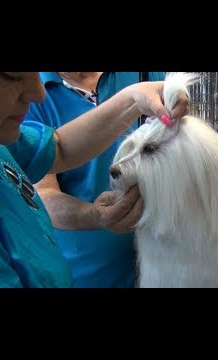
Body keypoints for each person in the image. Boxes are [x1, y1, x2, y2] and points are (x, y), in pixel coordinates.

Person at [0, 72, 188, 288]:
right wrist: (93, 215)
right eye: (11, 75)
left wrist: (132, 99)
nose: (38, 93)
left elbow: (58, 148)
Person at [27, 72, 165, 288]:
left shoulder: (144, 75)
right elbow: (43, 194)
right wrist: (94, 215)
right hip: (87, 275)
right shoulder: (31, 93)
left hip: (164, 264)